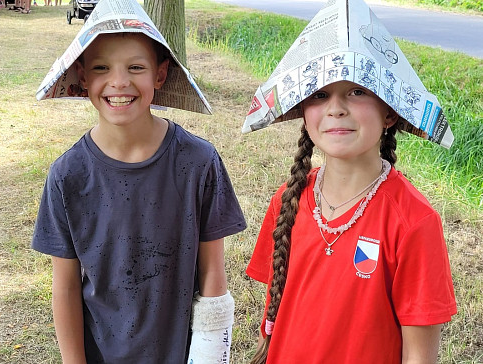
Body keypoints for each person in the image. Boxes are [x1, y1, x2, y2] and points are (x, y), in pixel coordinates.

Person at [31, 0, 246, 362]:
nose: (119, 81)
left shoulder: (198, 162)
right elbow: (65, 286)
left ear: (160, 75)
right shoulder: (67, 176)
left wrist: (210, 354)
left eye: (136, 67)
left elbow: (212, 272)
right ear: (82, 76)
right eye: (101, 68)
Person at [242, 0, 457, 362]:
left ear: (389, 111)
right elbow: (275, 313)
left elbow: (419, 356)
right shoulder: (287, 200)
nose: (336, 107)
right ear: (303, 111)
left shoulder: (414, 222)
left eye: (357, 91)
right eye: (320, 94)